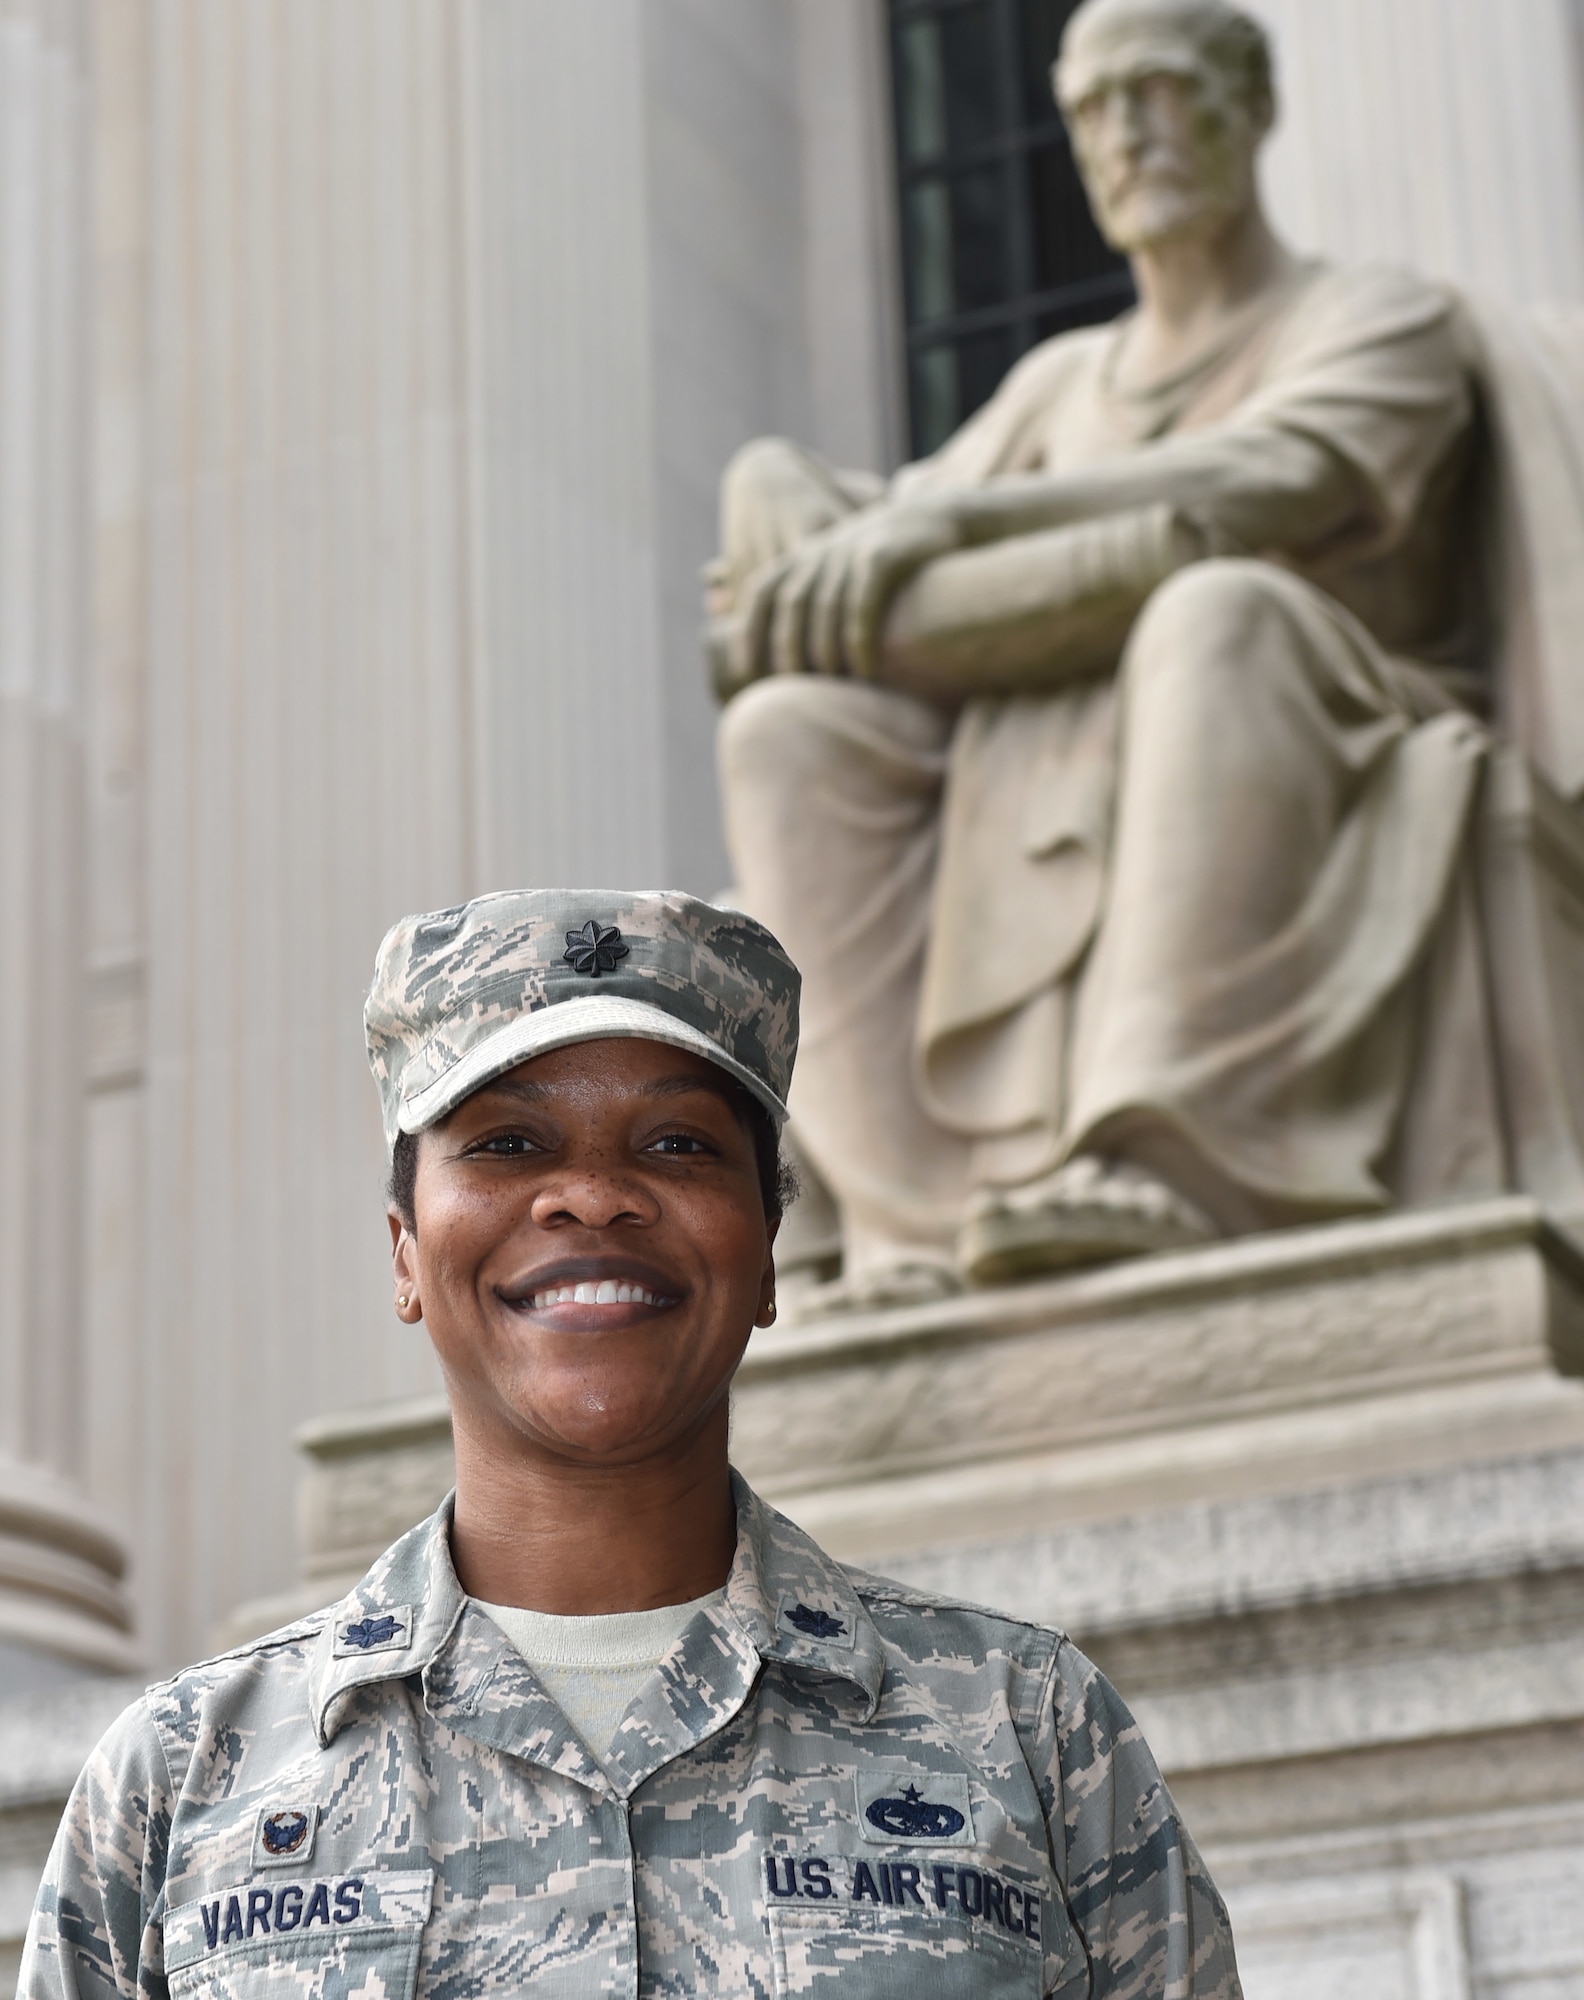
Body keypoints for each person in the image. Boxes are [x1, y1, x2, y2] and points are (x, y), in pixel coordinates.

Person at [20, 888, 1242, 1998]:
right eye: (506, 1142)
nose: (591, 1193)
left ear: (767, 1249)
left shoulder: (1029, 1730)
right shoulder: (184, 1778)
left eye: (677, 1144)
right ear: (404, 1250)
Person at [712, 0, 1490, 1309]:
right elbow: (878, 515)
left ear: (1252, 109)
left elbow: (1276, 481)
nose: (1129, 134)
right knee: (786, 730)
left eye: (1165, 90)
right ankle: (917, 1231)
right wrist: (771, 480)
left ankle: (1167, 1153)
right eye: (1096, 107)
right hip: (1043, 738)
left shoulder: (1373, 319)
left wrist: (957, 518)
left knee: (1216, 611)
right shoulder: (1062, 384)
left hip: (1314, 724)